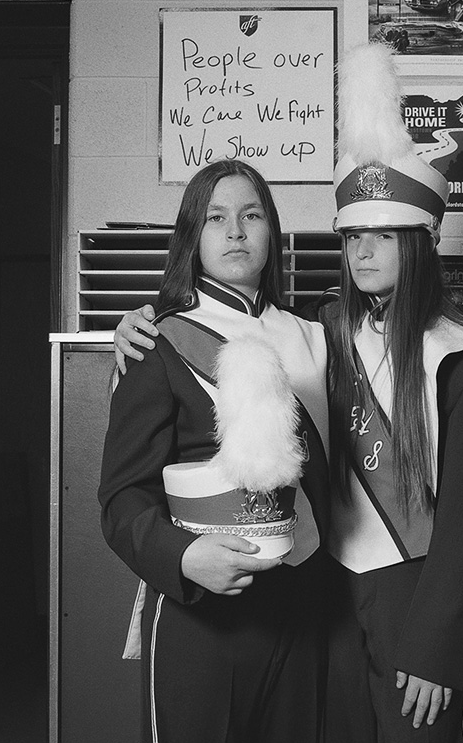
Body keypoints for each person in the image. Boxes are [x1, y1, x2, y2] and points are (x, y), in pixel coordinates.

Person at [114, 45, 463, 742]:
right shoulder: (287, 330)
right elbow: (124, 496)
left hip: (362, 610)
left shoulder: (424, 349)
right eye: (353, 234)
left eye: (383, 233)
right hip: (276, 610)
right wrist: (134, 323)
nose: (363, 251)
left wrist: (436, 644)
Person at [99, 159, 330, 743]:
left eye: (250, 215)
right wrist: (182, 557)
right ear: (191, 238)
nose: (234, 232)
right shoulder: (158, 340)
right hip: (200, 614)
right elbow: (122, 499)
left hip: (302, 611)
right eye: (215, 218)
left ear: (271, 232)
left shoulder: (316, 336)